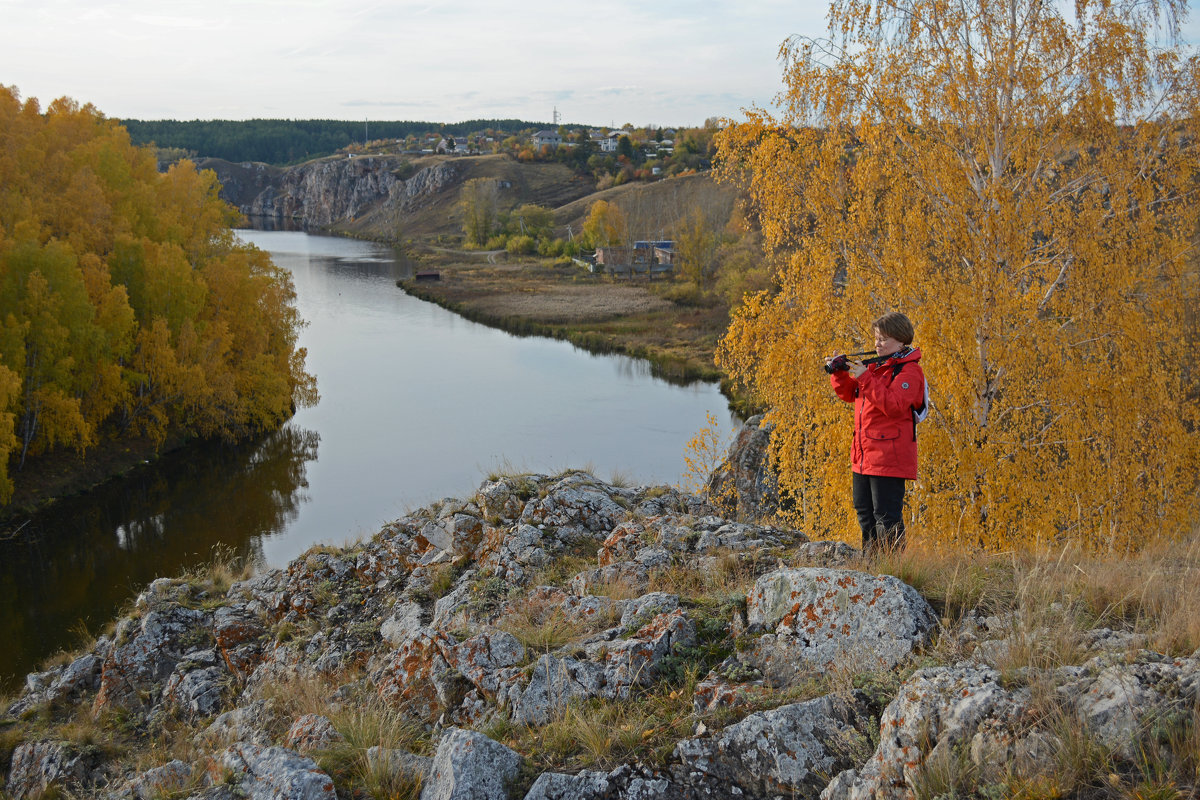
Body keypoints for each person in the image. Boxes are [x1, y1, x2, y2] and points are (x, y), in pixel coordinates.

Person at [825, 312, 925, 555]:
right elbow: (850, 394)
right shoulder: (877, 367)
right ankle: (871, 568)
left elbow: (894, 406)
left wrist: (866, 378)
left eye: (883, 339)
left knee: (887, 518)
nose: (877, 343)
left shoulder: (909, 372)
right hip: (864, 454)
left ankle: (893, 572)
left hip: (889, 455)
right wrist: (839, 373)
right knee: (865, 514)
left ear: (901, 341)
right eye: (877, 338)